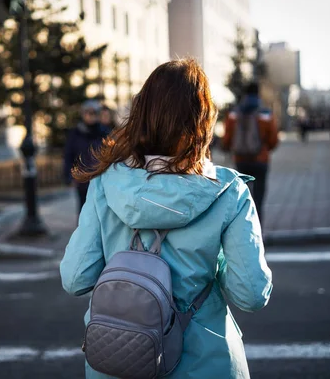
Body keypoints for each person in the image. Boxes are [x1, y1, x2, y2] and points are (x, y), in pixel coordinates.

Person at [60, 59, 272, 378]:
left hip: (119, 362)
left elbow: (76, 278)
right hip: (205, 363)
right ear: (202, 122)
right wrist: (217, 264)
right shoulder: (229, 192)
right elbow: (251, 295)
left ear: (142, 114)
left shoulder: (105, 183)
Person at [222, 82, 279, 225]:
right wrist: (264, 149)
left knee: (243, 198)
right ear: (258, 94)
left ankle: (244, 230)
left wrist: (231, 149)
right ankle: (258, 231)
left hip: (241, 161)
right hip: (261, 160)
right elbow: (273, 140)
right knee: (258, 198)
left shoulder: (234, 114)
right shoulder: (265, 114)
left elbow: (227, 139)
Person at [64, 100, 106, 217]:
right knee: (84, 211)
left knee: (100, 212)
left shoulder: (104, 133)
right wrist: (69, 176)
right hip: (82, 180)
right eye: (88, 113)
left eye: (93, 113)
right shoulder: (75, 134)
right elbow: (68, 155)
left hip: (101, 179)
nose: (90, 116)